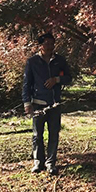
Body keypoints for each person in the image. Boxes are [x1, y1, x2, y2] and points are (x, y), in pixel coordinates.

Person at [22, 32, 72, 175]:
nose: (50, 46)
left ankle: (51, 163)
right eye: (47, 44)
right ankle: (38, 163)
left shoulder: (60, 60)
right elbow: (27, 83)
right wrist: (27, 102)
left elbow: (69, 77)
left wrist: (57, 79)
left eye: (52, 43)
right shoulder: (32, 62)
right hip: (38, 103)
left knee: (54, 134)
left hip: (55, 103)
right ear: (40, 45)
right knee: (37, 135)